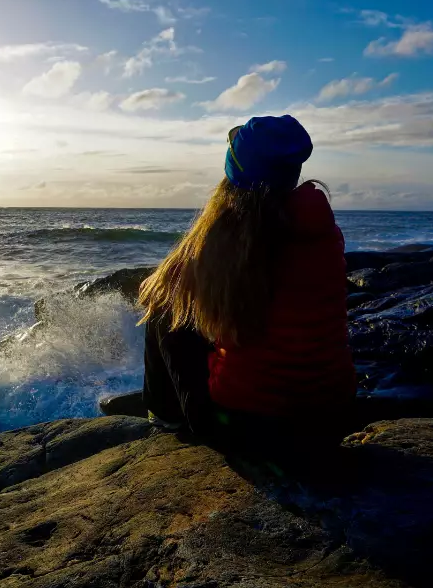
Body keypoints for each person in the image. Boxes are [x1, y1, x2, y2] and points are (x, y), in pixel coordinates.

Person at [138, 115, 356, 456]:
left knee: (165, 303)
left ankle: (166, 418)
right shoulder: (324, 231)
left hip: (250, 429)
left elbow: (154, 290)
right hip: (330, 418)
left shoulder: (228, 238)